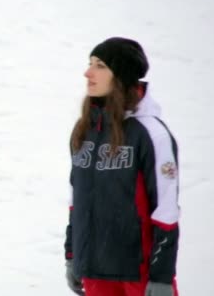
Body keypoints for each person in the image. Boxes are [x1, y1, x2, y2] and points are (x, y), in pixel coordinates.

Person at [64, 37, 180, 296]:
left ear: (121, 76)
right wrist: (73, 255)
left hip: (139, 274)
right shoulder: (83, 131)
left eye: (100, 65)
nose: (88, 72)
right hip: (95, 271)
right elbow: (77, 199)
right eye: (90, 63)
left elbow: (167, 210)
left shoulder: (151, 133)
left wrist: (162, 275)